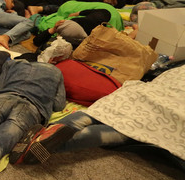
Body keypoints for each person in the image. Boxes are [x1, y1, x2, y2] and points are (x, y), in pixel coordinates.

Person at [10, 65, 185, 168]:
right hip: (169, 109)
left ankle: (44, 135)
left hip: (147, 93)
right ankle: (37, 147)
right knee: (124, 131)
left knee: (95, 114)